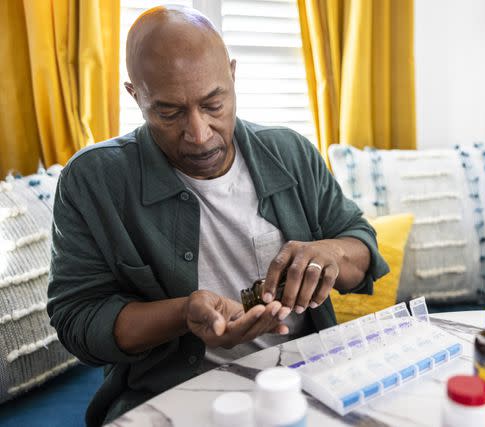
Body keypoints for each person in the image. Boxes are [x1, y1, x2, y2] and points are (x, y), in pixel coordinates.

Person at [47, 5, 388, 426]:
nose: (199, 134)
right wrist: (183, 314)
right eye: (168, 112)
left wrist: (332, 254)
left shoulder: (291, 152)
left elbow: (362, 245)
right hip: (168, 400)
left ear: (232, 74)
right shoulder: (93, 181)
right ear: (135, 95)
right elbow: (78, 320)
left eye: (213, 104)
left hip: (305, 385)